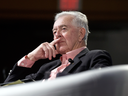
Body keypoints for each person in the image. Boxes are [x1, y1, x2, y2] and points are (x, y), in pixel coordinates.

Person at [4, 11, 112, 83]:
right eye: (54, 31)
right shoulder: (46, 68)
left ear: (81, 34)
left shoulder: (96, 57)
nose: (57, 34)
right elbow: (8, 88)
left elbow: (100, 85)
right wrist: (31, 57)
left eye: (63, 29)